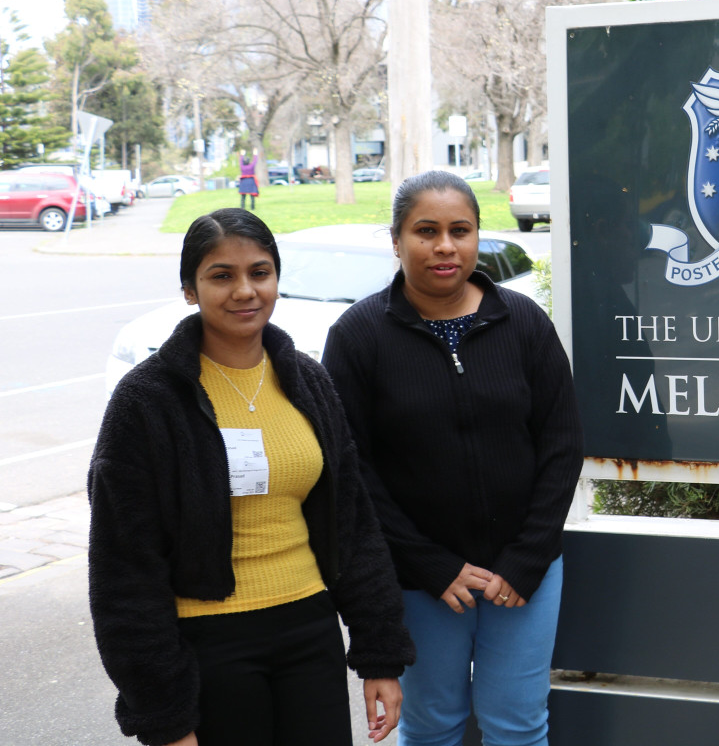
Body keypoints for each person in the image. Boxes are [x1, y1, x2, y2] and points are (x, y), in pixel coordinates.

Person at [88, 208, 414, 746]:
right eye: (222, 275)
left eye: (259, 273)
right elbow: (124, 570)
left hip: (310, 630)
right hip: (208, 643)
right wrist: (164, 713)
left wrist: (381, 654)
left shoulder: (307, 380)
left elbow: (352, 523)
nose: (245, 290)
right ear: (190, 290)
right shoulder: (147, 401)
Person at [322, 170, 584, 746]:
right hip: (421, 582)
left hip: (523, 576)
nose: (445, 246)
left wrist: (529, 555)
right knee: (432, 725)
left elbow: (562, 444)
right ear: (396, 240)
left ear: (477, 238)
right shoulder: (358, 336)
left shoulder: (523, 323)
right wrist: (429, 565)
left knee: (517, 724)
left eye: (460, 231)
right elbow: (352, 470)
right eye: (426, 231)